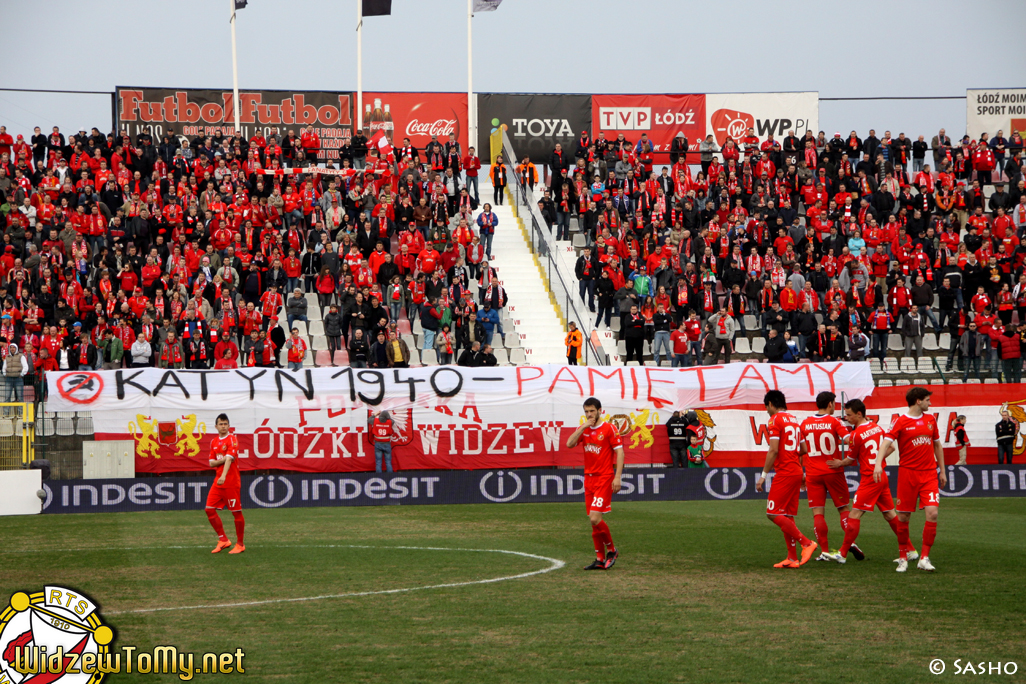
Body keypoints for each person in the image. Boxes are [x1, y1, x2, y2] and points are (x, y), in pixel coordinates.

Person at [832, 398, 918, 564]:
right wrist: (876, 460)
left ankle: (842, 554)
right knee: (890, 514)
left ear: (859, 414)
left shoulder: (856, 435)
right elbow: (891, 447)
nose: (846, 418)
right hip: (881, 476)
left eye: (849, 415)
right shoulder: (877, 427)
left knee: (854, 514)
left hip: (870, 478)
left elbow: (850, 459)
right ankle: (911, 550)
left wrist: (839, 463)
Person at [874, 387, 946, 572]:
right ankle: (903, 557)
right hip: (908, 475)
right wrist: (877, 464)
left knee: (933, 513)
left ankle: (924, 557)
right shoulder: (900, 421)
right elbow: (885, 443)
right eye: (928, 400)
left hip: (929, 474)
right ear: (918, 401)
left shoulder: (931, 420)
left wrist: (942, 471)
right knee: (904, 517)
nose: (930, 403)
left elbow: (937, 445)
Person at [756, 390, 818, 568]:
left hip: (785, 472)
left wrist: (763, 476)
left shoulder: (775, 420)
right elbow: (804, 449)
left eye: (766, 407)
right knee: (787, 515)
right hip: (796, 471)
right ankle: (792, 558)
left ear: (770, 404)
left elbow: (773, 450)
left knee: (773, 513)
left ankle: (806, 542)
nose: (767, 410)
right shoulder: (794, 420)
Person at [799, 392, 861, 562]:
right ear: (830, 404)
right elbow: (850, 440)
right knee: (843, 509)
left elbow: (800, 449)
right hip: (833, 470)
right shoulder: (834, 421)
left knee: (818, 513)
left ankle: (824, 552)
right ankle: (851, 542)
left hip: (812, 473)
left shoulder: (805, 423)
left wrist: (802, 472)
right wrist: (845, 460)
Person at [565, 397, 624, 570]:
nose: (589, 414)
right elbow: (569, 444)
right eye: (586, 411)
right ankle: (599, 558)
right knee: (593, 521)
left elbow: (620, 453)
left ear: (600, 410)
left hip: (604, 477)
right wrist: (583, 426)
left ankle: (612, 550)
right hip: (589, 479)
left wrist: (617, 477)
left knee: (595, 517)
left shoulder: (609, 428)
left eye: (592, 411)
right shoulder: (584, 429)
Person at [205, 413, 245, 555]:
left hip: (230, 482)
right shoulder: (214, 442)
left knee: (236, 513)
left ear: (228, 425)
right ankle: (223, 540)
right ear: (216, 426)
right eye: (221, 424)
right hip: (218, 482)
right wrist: (222, 461)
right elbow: (211, 463)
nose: (223, 426)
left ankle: (240, 544)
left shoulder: (232, 439)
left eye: (225, 424)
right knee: (209, 509)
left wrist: (223, 474)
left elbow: (229, 460)